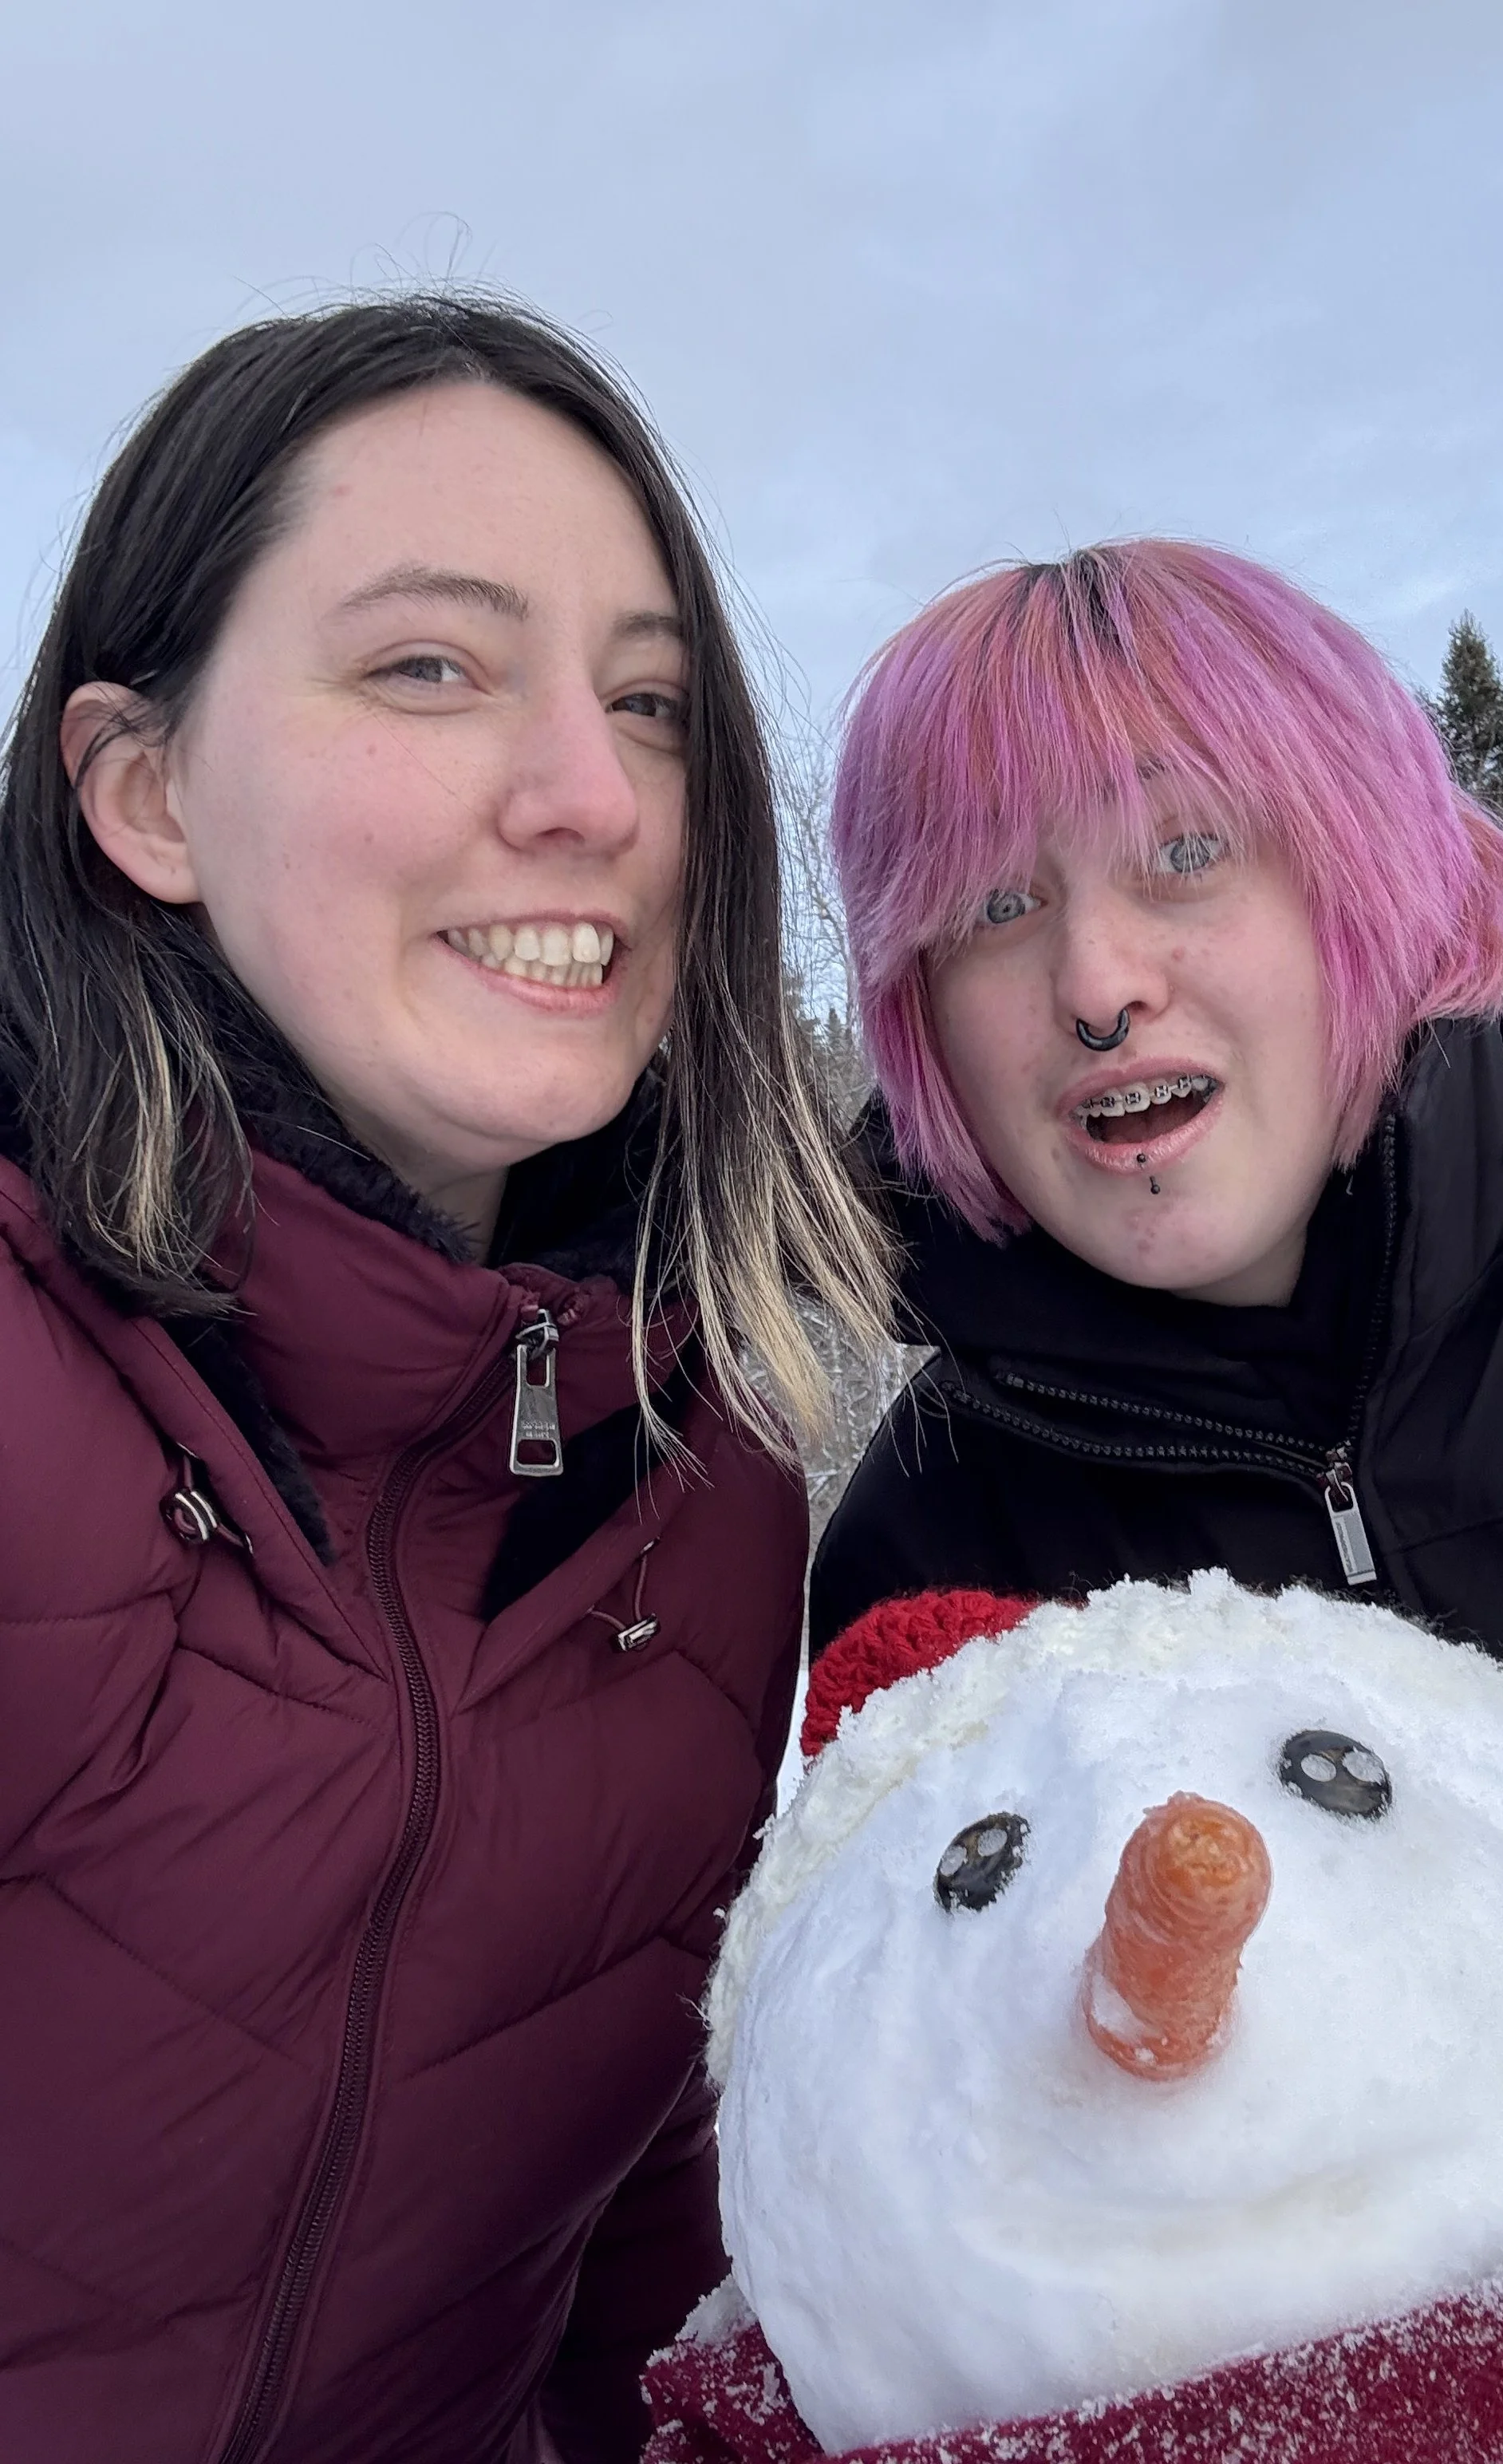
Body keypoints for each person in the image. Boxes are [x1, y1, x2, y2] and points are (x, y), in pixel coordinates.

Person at [0, 294, 889, 2464]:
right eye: (428, 666)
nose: (593, 796)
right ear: (144, 792)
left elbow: (626, 2227)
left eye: (654, 703)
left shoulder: (706, 1475)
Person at [811, 539, 1503, 2203]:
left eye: (1189, 849)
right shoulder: (929, 1544)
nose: (1095, 982)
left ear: (1354, 873)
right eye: (995, 905)